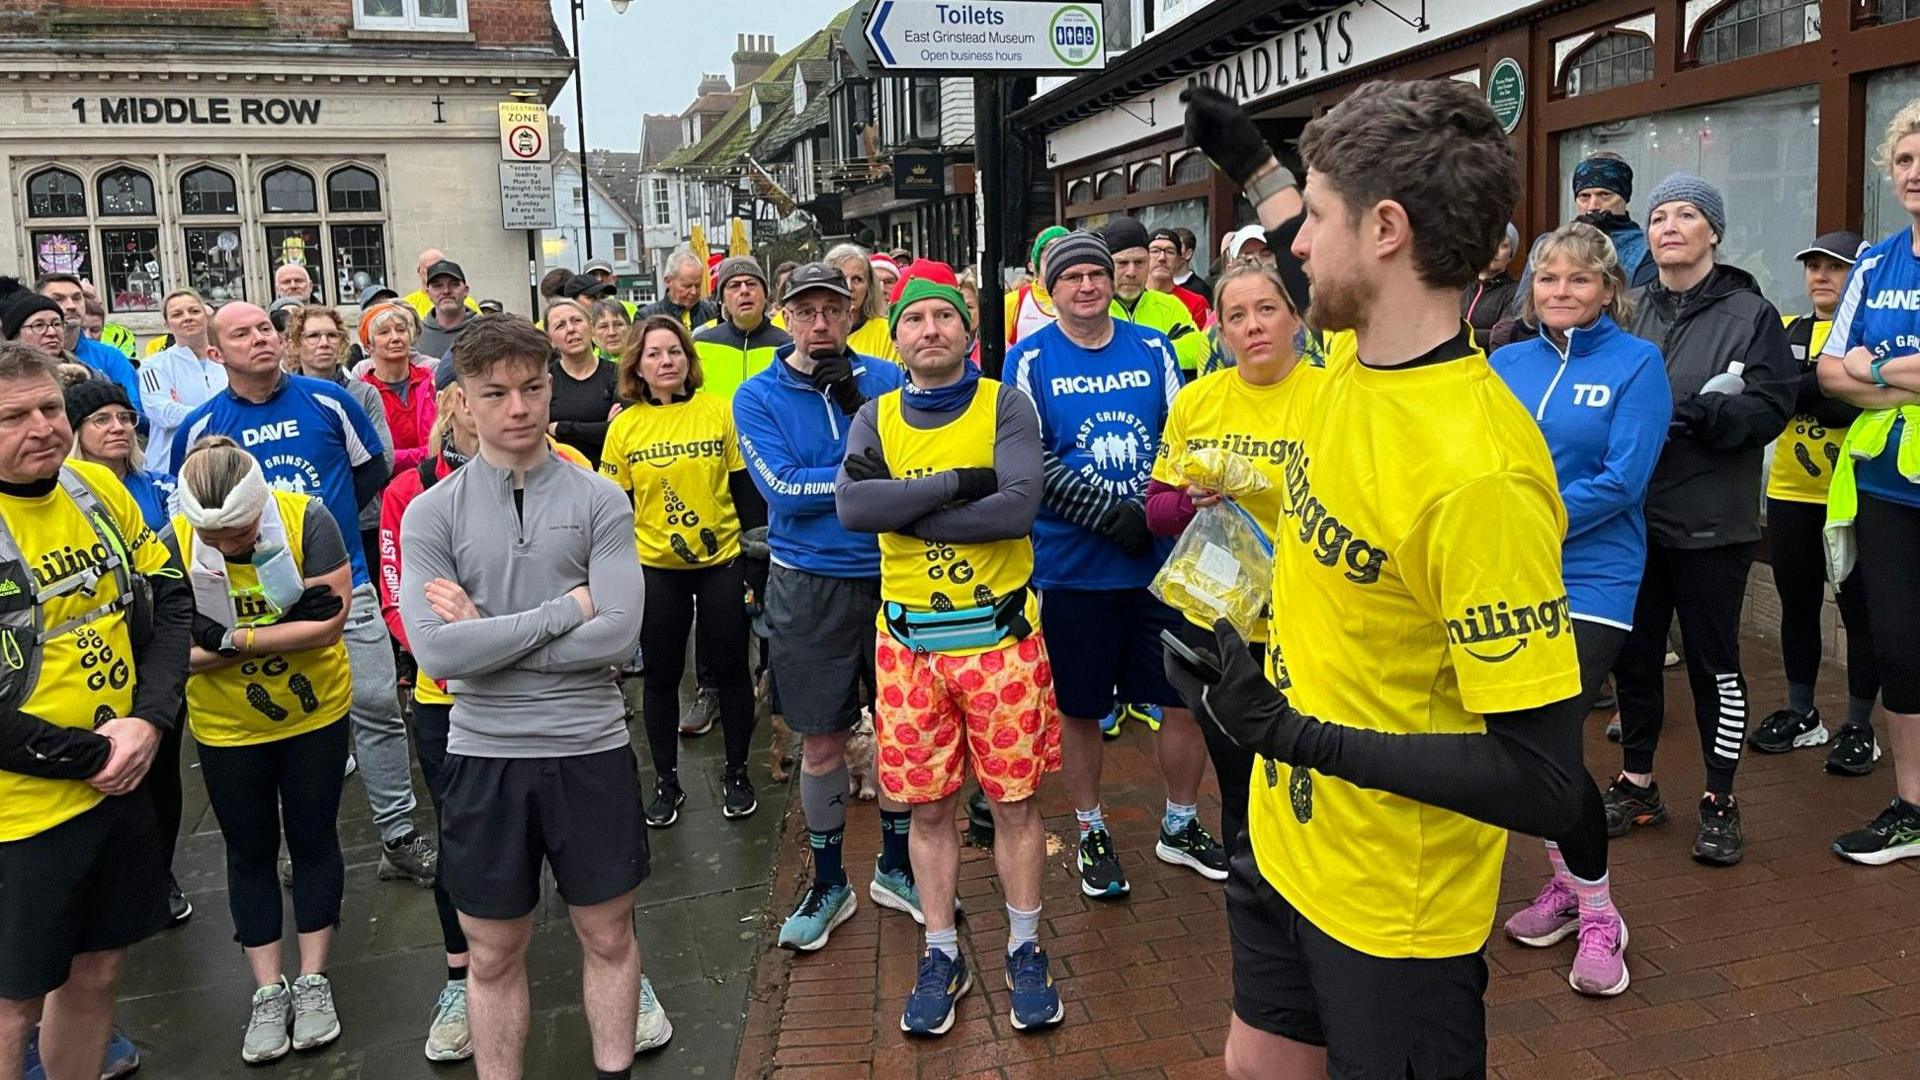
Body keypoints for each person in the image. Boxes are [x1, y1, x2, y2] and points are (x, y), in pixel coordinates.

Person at [1167, 80, 1602, 1079]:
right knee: (1256, 1066)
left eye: (1320, 217)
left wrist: (1289, 733)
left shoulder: (1480, 473)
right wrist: (1251, 162)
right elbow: (1291, 245)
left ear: (1389, 229)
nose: (1296, 244)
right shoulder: (1356, 352)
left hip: (1392, 908)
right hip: (1286, 837)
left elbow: (1543, 784)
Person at [399, 313, 669, 1079]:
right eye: (495, 393)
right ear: (462, 404)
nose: (518, 407)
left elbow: (619, 638)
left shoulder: (600, 498)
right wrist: (563, 613)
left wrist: (493, 636)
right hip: (485, 755)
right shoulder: (432, 512)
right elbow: (439, 651)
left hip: (589, 747)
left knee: (610, 935)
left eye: (532, 387)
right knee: (490, 951)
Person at [835, 274, 1063, 1035]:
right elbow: (854, 509)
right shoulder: (875, 414)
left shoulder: (1006, 403)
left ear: (968, 334)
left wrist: (909, 510)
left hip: (999, 642)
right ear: (894, 338)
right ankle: (941, 952)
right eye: (915, 319)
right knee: (927, 810)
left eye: (945, 317)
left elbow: (1019, 507)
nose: (930, 328)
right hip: (909, 653)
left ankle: (1026, 948)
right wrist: (961, 484)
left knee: (1014, 807)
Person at [171, 302, 439, 887]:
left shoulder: (330, 401)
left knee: (377, 708)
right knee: (293, 726)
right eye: (241, 334)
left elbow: (372, 469)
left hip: (346, 584)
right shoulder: (201, 426)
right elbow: (190, 508)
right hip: (247, 603)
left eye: (264, 328)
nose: (258, 339)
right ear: (216, 353)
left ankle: (397, 834)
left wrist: (326, 531)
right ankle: (306, 847)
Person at [1005, 230, 1228, 896]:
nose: (1086, 285)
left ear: (1112, 282)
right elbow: (1029, 457)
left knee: (1181, 700)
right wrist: (1107, 512)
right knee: (1081, 709)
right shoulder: (1028, 357)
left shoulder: (1153, 346)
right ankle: (1091, 827)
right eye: (1070, 276)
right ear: (1050, 287)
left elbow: (1176, 433)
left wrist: (1146, 508)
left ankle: (1180, 823)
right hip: (1074, 565)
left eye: (1095, 274)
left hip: (1160, 559)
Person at [1487, 222, 1671, 997]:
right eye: (1549, 280)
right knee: (1525, 740)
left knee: (1554, 734)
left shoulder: (1638, 364)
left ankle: (1600, 914)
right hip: (1505, 575)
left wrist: (1530, 518)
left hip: (1594, 576)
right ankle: (1566, 885)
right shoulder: (1503, 361)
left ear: (1609, 290)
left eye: (1579, 281)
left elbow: (1624, 481)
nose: (1561, 293)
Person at [0, 342, 191, 1080]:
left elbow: (170, 598)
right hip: (24, 813)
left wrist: (148, 720)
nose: (42, 427)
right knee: (15, 1004)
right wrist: (97, 756)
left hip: (119, 780)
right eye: (14, 416)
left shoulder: (94, 489)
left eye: (49, 407)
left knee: (98, 972)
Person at [1607, 173, 1796, 867]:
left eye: (1688, 214)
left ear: (1712, 232)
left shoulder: (1752, 314)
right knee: (1635, 657)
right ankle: (1636, 783)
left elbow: (1772, 406)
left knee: (1716, 666)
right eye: (1660, 216)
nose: (1671, 226)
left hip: (1714, 523)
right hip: (1634, 518)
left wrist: (1703, 415)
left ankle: (1720, 798)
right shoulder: (1626, 309)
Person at [734, 263, 913, 951]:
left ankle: (897, 868)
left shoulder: (887, 380)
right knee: (821, 741)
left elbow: (913, 465)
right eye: (805, 310)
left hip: (896, 573)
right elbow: (780, 489)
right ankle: (830, 879)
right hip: (809, 581)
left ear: (851, 314)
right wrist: (865, 475)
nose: (819, 323)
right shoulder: (757, 395)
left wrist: (859, 470)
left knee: (903, 732)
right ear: (783, 315)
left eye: (832, 310)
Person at [169, 438, 352, 1062]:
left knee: (313, 836)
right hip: (227, 727)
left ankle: (314, 979)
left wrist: (227, 639)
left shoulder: (307, 518)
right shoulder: (172, 540)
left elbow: (328, 624)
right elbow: (168, 655)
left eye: (242, 532)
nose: (230, 548)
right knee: (248, 850)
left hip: (314, 714)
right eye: (214, 539)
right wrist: (279, 631)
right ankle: (268, 990)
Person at [1144, 260, 1316, 860]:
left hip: (1313, 614)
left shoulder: (1334, 396)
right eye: (1236, 316)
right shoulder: (1199, 400)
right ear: (1220, 332)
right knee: (1238, 764)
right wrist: (1191, 501)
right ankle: (1251, 876)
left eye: (1267, 309)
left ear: (1295, 317)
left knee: (1307, 764)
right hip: (1224, 618)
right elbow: (1156, 508)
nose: (1253, 327)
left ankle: (1307, 877)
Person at [601, 316, 764, 824]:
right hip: (656, 568)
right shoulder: (624, 427)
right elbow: (612, 509)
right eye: (653, 354)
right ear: (637, 365)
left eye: (673, 352)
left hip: (722, 562)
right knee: (662, 677)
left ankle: (737, 771)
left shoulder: (719, 412)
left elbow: (746, 494)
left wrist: (755, 572)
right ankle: (667, 782)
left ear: (688, 360)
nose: (665, 362)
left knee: (733, 670)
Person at [1817, 98, 1920, 865]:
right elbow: (1827, 370)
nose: (1917, 173)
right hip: (1886, 486)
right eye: (1908, 159)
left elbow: (1856, 365)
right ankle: (1913, 808)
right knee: (1900, 649)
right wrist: (1898, 379)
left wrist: (1874, 366)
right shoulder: (1877, 262)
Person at [1748, 231, 1882, 774]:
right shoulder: (1784, 328)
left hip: (1855, 495)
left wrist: (1816, 388)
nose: (1821, 276)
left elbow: (1851, 401)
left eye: (1836, 267)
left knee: (1860, 611)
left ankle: (1858, 725)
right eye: (1813, 266)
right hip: (1789, 492)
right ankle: (1803, 712)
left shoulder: (1870, 331)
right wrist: (1827, 388)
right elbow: (1778, 394)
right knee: (1797, 604)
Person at [285, 305, 396, 579]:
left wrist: (341, 505)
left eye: (332, 335)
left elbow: (383, 459)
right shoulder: (282, 397)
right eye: (313, 336)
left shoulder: (363, 393)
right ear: (296, 344)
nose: (324, 343)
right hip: (298, 526)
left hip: (362, 523)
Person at [1104, 217, 1210, 378]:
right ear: (1107, 265)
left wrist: (1132, 356)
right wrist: (1164, 347)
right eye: (1122, 263)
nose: (1131, 272)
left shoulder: (1170, 305)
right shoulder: (1094, 308)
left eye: (1139, 262)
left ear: (1148, 263)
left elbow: (1197, 349)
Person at [139, 289, 228, 475]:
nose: (187, 318)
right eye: (177, 314)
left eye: (194, 311)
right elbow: (163, 413)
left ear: (206, 317)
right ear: (167, 324)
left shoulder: (228, 359)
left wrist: (186, 410)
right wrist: (224, 412)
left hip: (225, 465)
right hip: (170, 470)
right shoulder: (153, 366)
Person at [33, 275, 142, 416]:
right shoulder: (25, 361)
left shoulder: (110, 357)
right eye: (58, 299)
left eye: (77, 298)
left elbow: (136, 415)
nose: (71, 306)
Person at [693, 258, 792, 401]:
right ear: (722, 299)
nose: (744, 291)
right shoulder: (701, 344)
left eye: (752, 284)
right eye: (734, 286)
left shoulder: (787, 346)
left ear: (765, 295)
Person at [359, 304, 439, 476]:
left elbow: (448, 443)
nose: (395, 338)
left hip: (436, 485)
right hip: (385, 494)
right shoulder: (361, 394)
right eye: (384, 332)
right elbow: (374, 458)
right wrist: (427, 454)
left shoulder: (432, 381)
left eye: (401, 330)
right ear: (367, 346)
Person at [544, 299, 624, 467]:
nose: (571, 329)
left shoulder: (618, 374)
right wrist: (601, 427)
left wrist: (562, 428)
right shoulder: (545, 380)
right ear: (550, 340)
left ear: (591, 327)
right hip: (561, 476)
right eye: (560, 326)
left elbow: (620, 431)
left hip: (610, 474)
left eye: (577, 321)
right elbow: (540, 434)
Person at [824, 244, 899, 362]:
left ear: (869, 286)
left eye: (857, 279)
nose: (849, 287)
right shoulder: (814, 331)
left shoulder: (886, 333)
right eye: (841, 278)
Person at [1005, 226, 1069, 347]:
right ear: (1037, 264)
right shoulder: (1014, 302)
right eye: (1050, 255)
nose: (1057, 263)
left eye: (1063, 256)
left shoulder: (1084, 297)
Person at [1461, 223, 1520, 346]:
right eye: (1489, 244)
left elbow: (1502, 336)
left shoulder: (1515, 292)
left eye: (1503, 246)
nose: (1495, 250)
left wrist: (1459, 336)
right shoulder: (1460, 285)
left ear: (1510, 256)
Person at [636, 251, 721, 331]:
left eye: (698, 285)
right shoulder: (646, 317)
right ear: (668, 281)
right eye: (687, 286)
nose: (694, 292)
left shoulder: (713, 312)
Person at [417, 261, 478, 360]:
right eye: (438, 286)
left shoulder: (486, 330)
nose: (446, 291)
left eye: (454, 284)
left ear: (466, 290)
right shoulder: (416, 336)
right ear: (428, 293)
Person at [1150, 227, 1210, 325]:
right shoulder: (1131, 298)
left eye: (1170, 252)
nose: (1162, 257)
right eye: (1155, 251)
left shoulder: (1197, 303)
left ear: (1179, 259)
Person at [403, 249, 482, 321]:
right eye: (429, 268)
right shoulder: (407, 305)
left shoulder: (468, 303)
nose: (446, 291)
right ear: (419, 270)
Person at [1173, 226, 1211, 298]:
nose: (1169, 254)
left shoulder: (1200, 289)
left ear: (1188, 254)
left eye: (1177, 248)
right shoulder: (1159, 284)